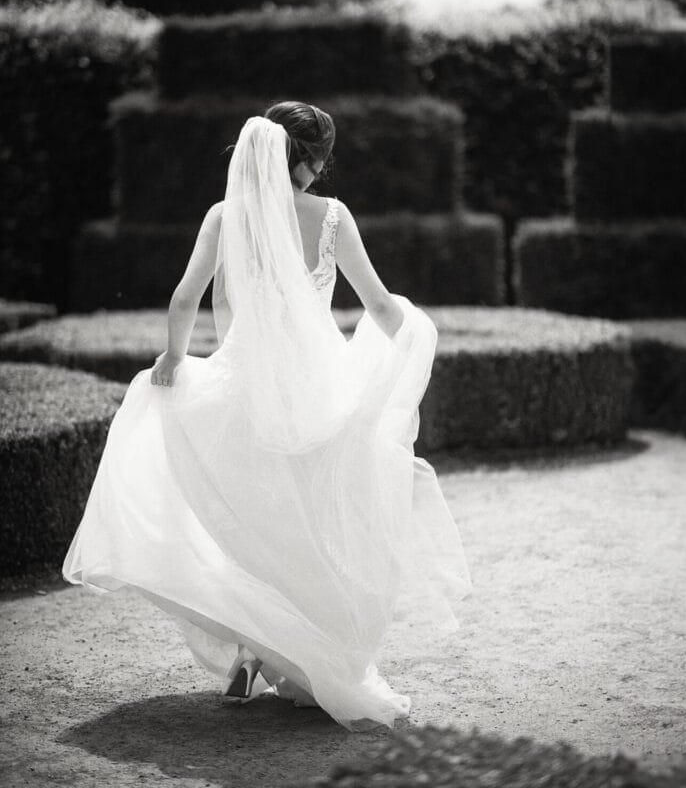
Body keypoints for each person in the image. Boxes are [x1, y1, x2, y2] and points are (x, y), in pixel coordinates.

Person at [63, 101, 472, 731]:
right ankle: (292, 656)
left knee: (254, 528)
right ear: (312, 161)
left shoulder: (225, 216)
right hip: (318, 394)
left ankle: (254, 651)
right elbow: (380, 307)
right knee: (311, 532)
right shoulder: (331, 217)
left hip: (243, 392)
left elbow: (184, 299)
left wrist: (173, 360)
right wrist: (418, 338)